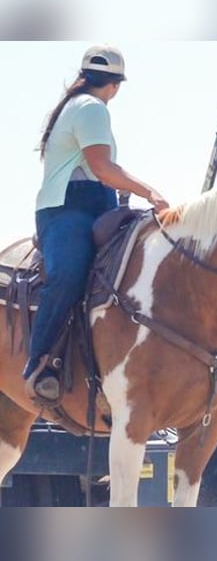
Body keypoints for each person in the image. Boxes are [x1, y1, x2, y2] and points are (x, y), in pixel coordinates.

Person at [23, 44, 169, 403]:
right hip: (68, 210)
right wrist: (150, 192)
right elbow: (103, 168)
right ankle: (39, 364)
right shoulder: (90, 108)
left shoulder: (79, 106)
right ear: (116, 86)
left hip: (96, 205)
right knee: (69, 275)